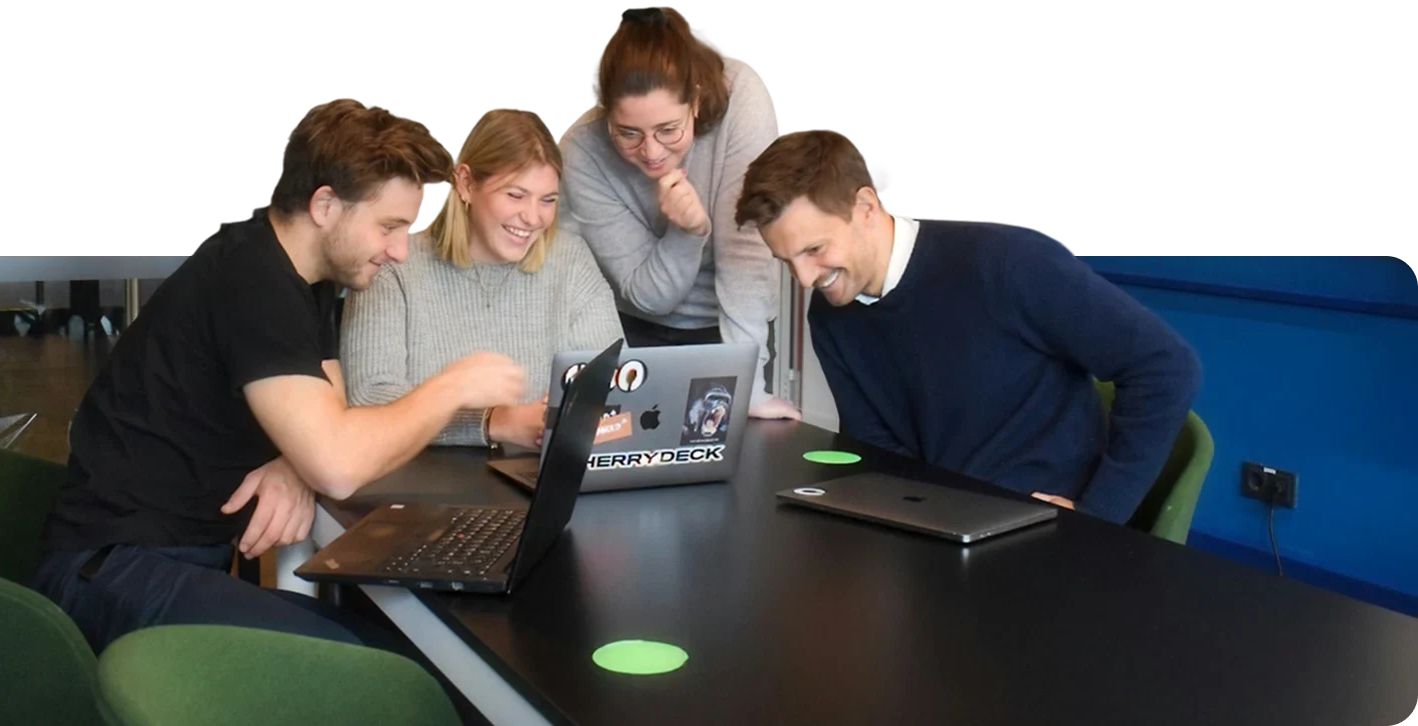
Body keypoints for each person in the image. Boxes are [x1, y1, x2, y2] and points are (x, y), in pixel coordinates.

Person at [28, 97, 530, 658]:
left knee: (396, 653)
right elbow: (339, 466)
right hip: (110, 572)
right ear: (324, 205)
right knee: (379, 669)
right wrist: (454, 386)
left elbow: (331, 408)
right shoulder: (253, 282)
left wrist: (297, 461)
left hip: (167, 561)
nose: (399, 251)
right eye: (389, 226)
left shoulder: (302, 278)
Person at [733, 129, 1203, 524]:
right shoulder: (831, 315)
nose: (805, 278)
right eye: (786, 260)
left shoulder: (1005, 263)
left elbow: (1165, 367)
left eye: (814, 250)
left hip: (1046, 536)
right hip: (945, 530)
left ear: (867, 208)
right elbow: (877, 451)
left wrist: (1097, 516)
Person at [558, 6, 800, 421]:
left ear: (698, 100)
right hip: (636, 331)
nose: (651, 153)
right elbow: (650, 296)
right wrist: (688, 231)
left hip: (737, 330)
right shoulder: (583, 151)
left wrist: (748, 387)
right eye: (628, 133)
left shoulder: (742, 95)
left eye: (668, 130)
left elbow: (747, 254)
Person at [341, 106, 624, 450]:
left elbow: (618, 385)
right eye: (515, 195)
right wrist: (493, 422)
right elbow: (369, 401)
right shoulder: (393, 264)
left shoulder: (570, 260)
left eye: (547, 200)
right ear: (466, 183)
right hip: (419, 483)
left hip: (536, 478)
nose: (533, 217)